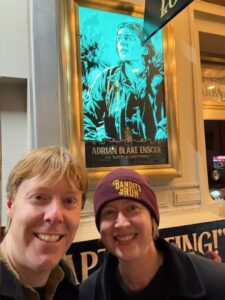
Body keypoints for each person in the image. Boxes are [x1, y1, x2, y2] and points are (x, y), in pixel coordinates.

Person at [80, 168, 225, 300]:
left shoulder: (217, 283)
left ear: (152, 219)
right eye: (109, 212)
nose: (121, 223)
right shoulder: (88, 293)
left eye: (132, 208)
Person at [0, 146, 87, 300]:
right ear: (10, 205)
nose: (55, 215)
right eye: (39, 197)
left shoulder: (64, 280)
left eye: (69, 200)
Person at [83, 22, 166, 142]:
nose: (121, 42)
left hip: (154, 156)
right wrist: (96, 143)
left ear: (144, 49)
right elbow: (86, 116)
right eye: (119, 39)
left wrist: (164, 128)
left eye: (128, 38)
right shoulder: (106, 79)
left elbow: (173, 115)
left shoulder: (160, 81)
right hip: (117, 157)